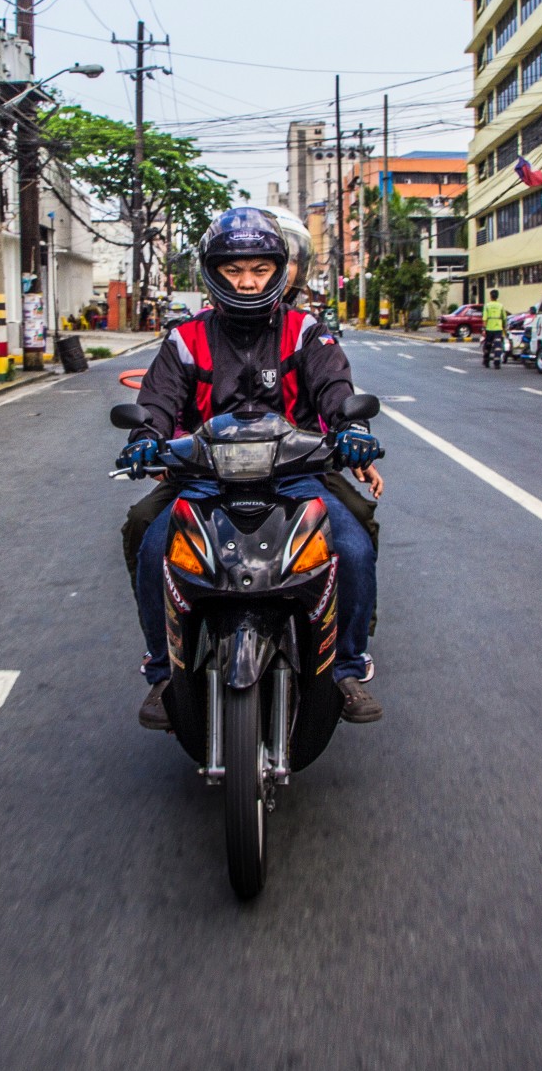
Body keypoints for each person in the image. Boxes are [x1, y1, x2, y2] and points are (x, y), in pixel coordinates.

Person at [118, 207, 384, 730]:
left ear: (280, 271)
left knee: (351, 547)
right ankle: (162, 672)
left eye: (259, 270)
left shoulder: (307, 330)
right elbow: (156, 402)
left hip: (298, 473)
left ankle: (347, 668)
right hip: (200, 476)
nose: (246, 282)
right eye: (233, 270)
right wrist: (145, 438)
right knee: (147, 541)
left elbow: (335, 389)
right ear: (213, 273)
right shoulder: (183, 338)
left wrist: (352, 434)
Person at [481, 289, 509, 365]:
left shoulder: (487, 305)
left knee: (488, 345)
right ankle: (497, 362)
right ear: (497, 297)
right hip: (498, 329)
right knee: (498, 346)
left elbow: (484, 318)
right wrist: (504, 327)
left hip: (489, 328)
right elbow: (504, 318)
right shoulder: (500, 306)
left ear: (490, 296)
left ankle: (486, 360)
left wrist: (483, 329)